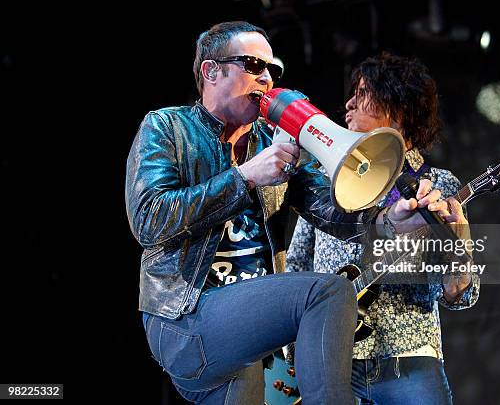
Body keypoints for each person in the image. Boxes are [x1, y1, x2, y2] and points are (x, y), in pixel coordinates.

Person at [125, 22, 452, 404]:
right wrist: (245, 176)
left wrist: (386, 221)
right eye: (252, 65)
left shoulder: (270, 138)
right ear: (211, 71)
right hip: (185, 316)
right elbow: (149, 219)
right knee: (327, 290)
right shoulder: (167, 126)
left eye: (271, 70)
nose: (266, 78)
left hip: (247, 332)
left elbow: (331, 210)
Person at [286, 53, 480, 405]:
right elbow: (296, 267)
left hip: (409, 361)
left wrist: (461, 246)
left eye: (362, 94)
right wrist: (293, 349)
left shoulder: (437, 186)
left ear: (398, 108)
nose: (348, 103)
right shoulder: (323, 180)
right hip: (330, 361)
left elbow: (460, 295)